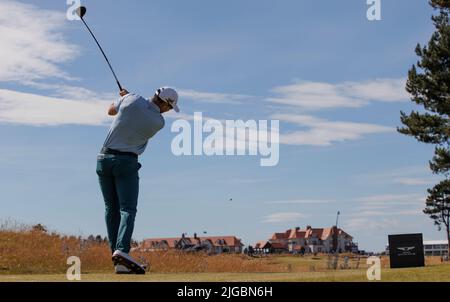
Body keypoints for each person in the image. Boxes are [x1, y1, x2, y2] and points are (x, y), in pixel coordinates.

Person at [96, 87, 179, 274]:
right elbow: (141, 114)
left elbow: (110, 110)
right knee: (127, 209)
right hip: (126, 162)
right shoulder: (159, 122)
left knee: (111, 209)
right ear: (165, 103)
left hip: (103, 159)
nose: (168, 110)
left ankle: (118, 260)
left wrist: (125, 98)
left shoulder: (132, 98)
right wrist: (127, 98)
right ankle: (122, 251)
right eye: (169, 107)